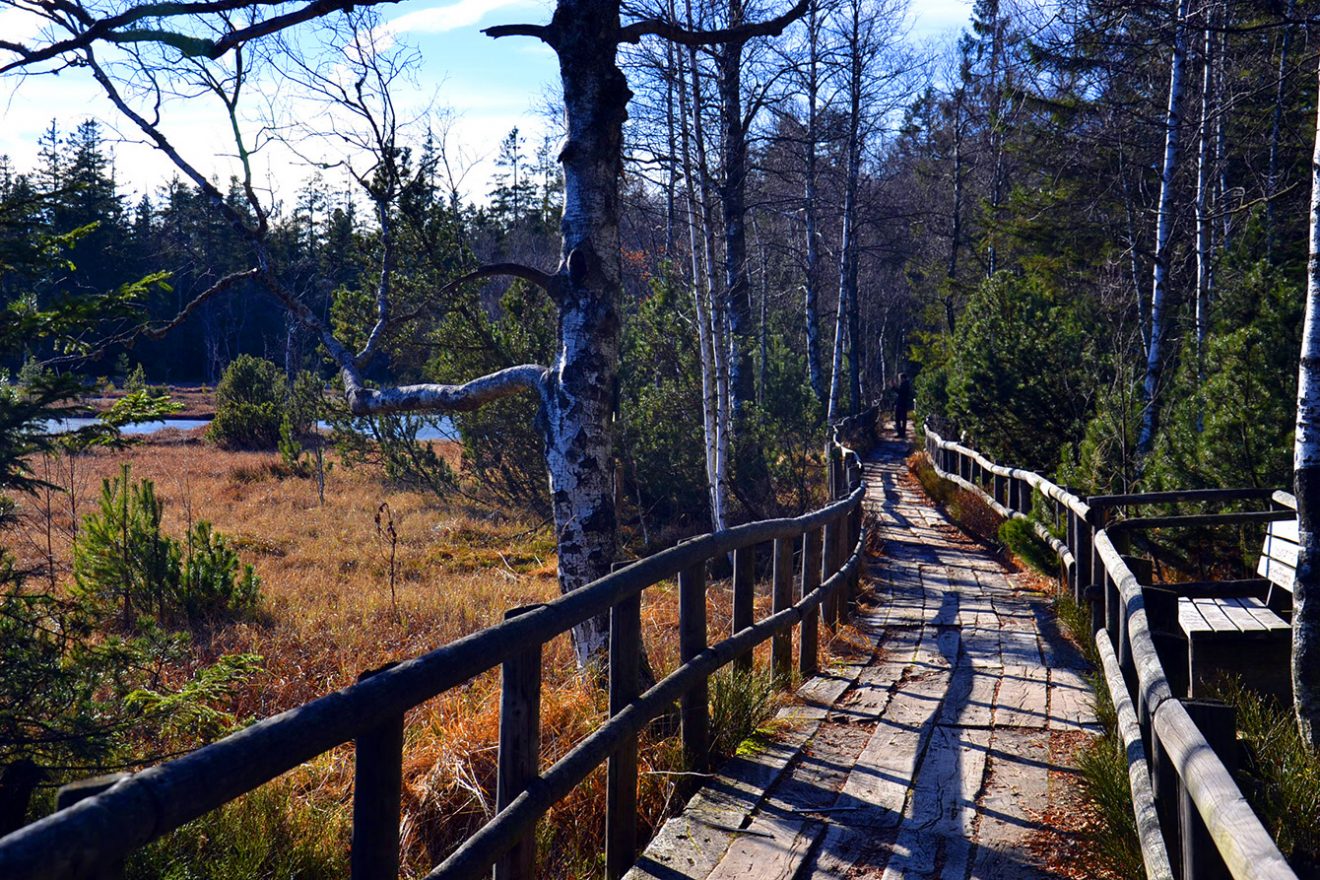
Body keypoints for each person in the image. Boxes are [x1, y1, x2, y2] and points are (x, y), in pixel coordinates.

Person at [893, 373, 915, 439]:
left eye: (900, 378)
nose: (900, 380)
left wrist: (894, 387)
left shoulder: (905, 384)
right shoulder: (905, 384)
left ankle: (901, 433)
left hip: (902, 403)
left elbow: (901, 393)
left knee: (899, 418)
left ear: (903, 378)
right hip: (902, 403)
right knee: (902, 419)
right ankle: (901, 433)